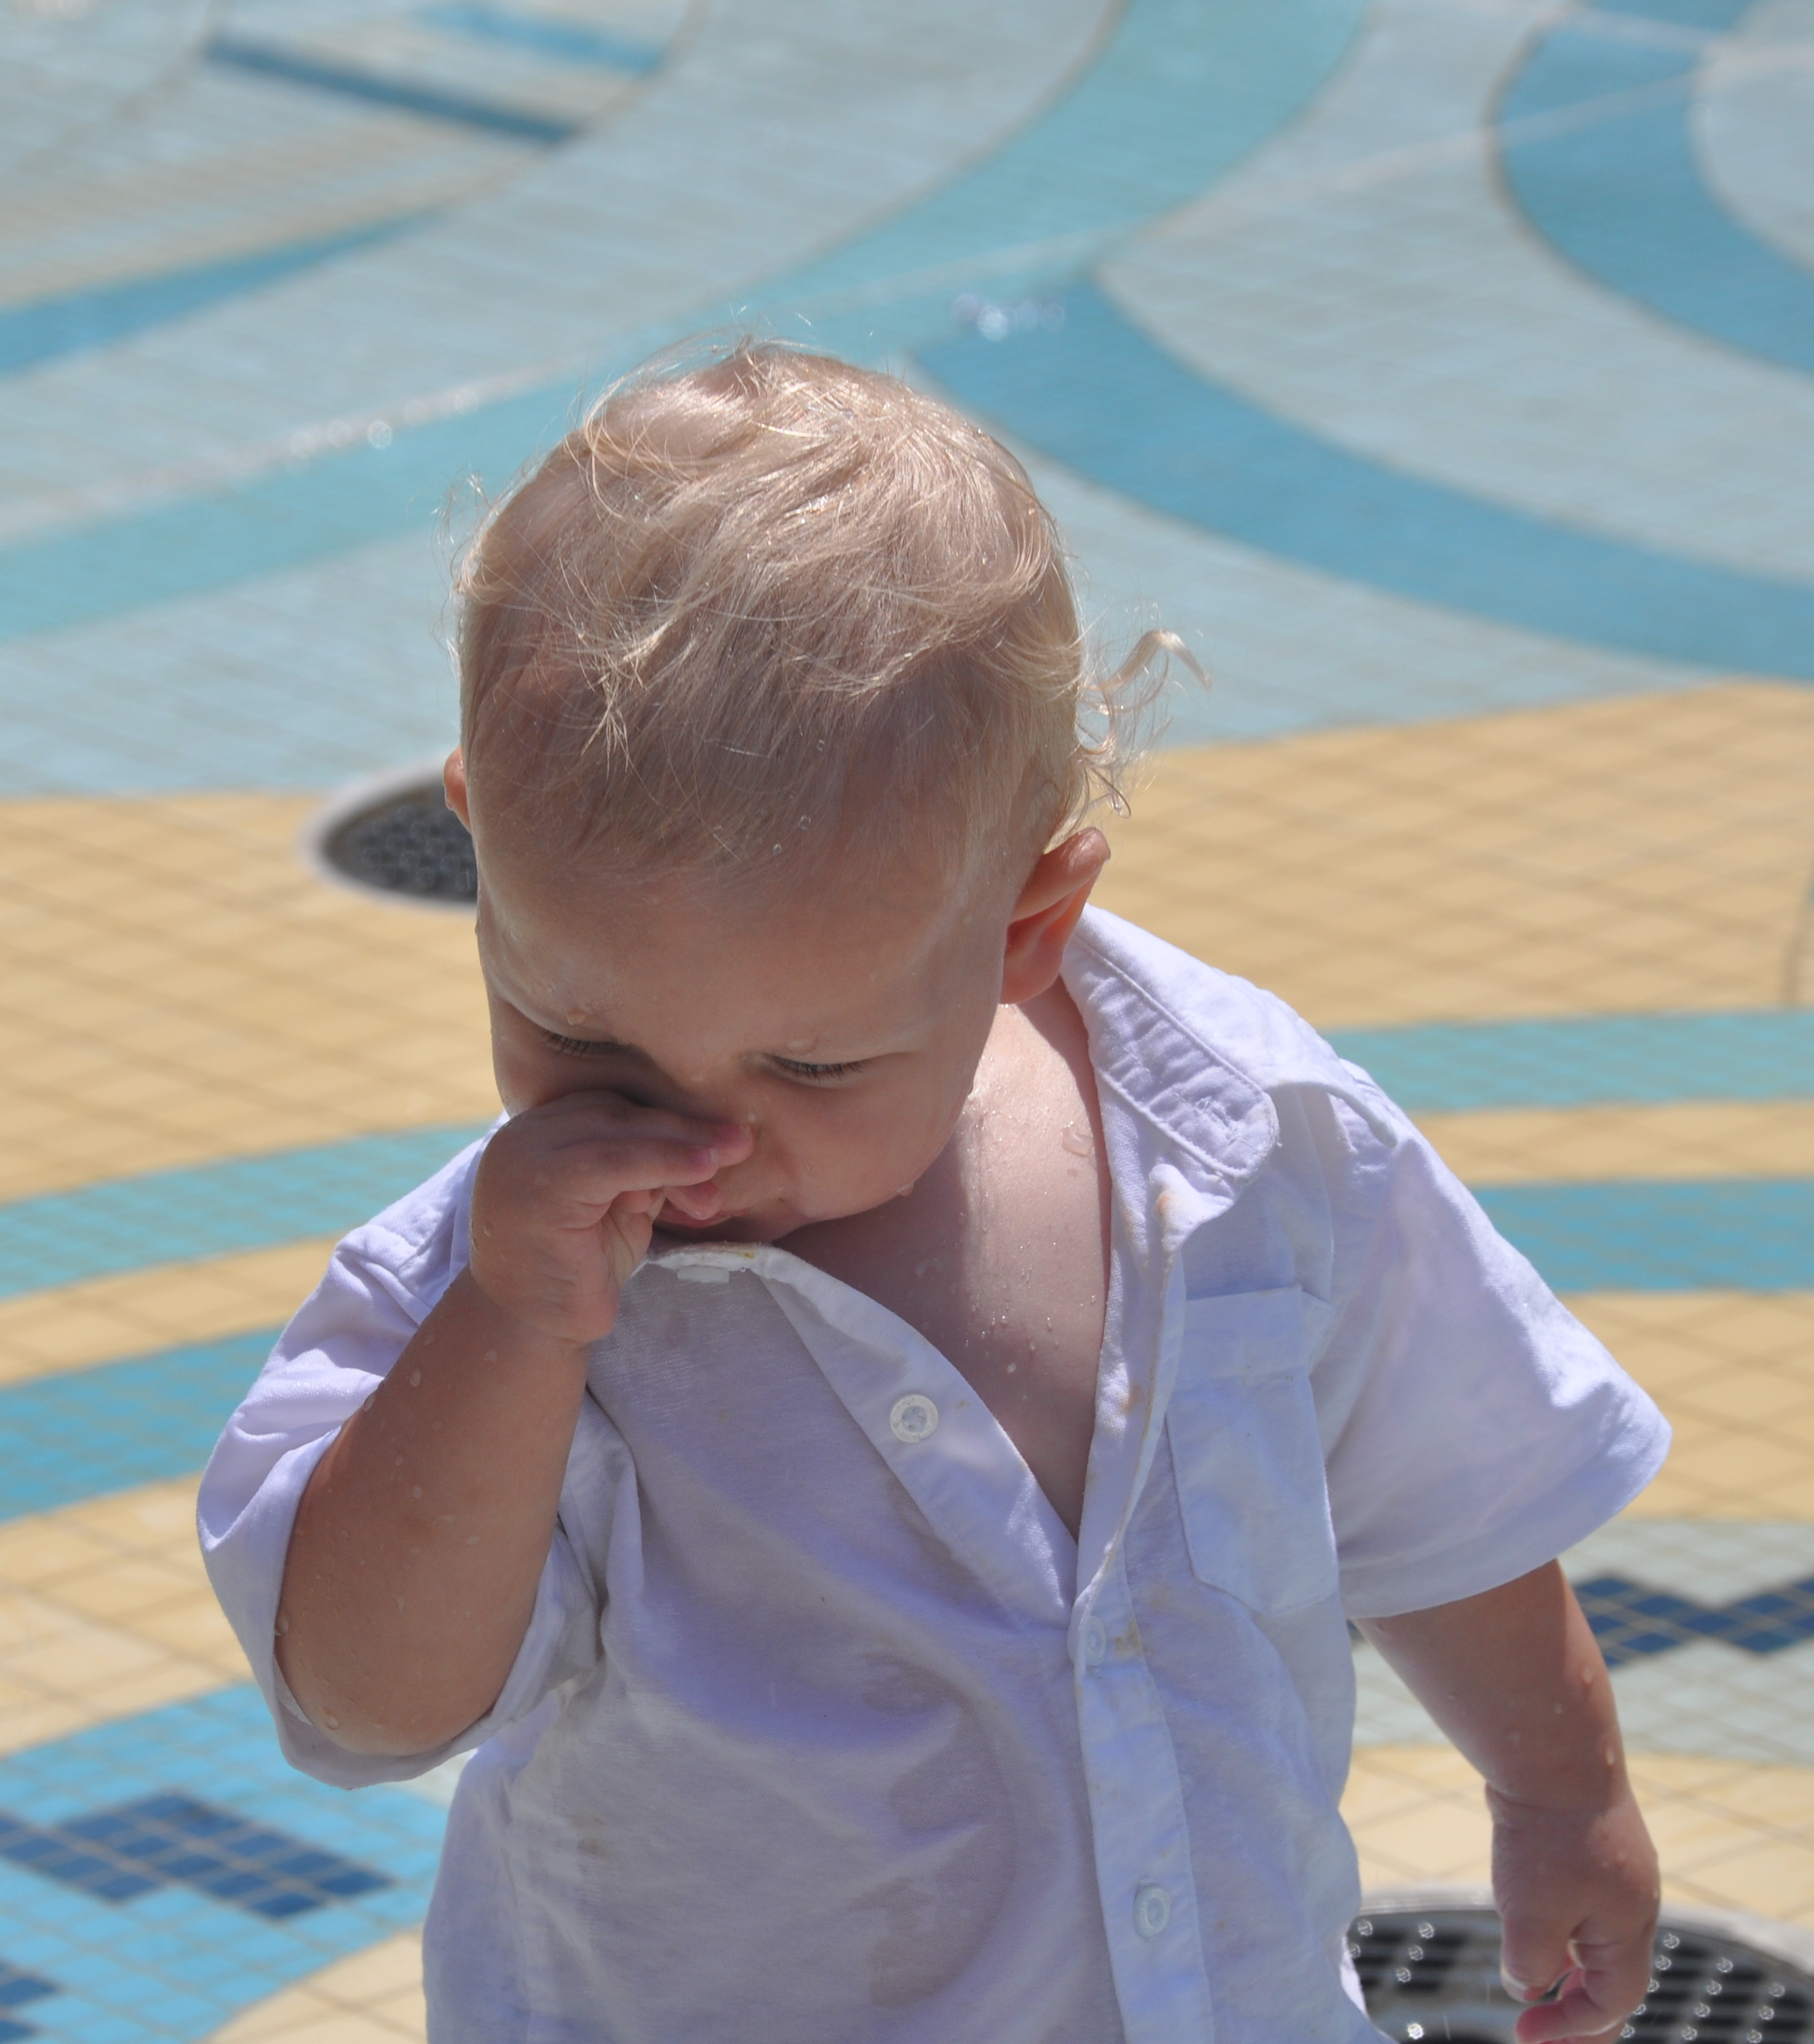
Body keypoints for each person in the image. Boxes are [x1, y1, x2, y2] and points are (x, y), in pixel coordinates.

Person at [197, 344, 1669, 2043]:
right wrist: (511, 1336)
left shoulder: (1241, 1142)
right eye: (579, 1037)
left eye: (813, 1065)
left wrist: (1558, 1785)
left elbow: (1437, 1492)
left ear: (1024, 923)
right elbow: (363, 1702)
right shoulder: (506, 1290)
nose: (697, 1139)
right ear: (482, 855)